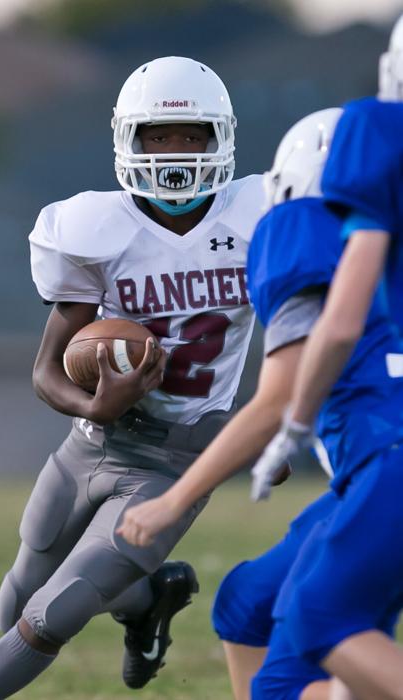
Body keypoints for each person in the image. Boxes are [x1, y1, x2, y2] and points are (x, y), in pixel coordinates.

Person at [0, 56, 267, 699]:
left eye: (191, 135)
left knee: (47, 618)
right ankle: (148, 600)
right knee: (13, 609)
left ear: (221, 137)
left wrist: (275, 430)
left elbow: (300, 339)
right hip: (90, 445)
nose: (176, 151)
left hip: (176, 459)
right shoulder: (94, 227)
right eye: (159, 136)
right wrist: (98, 402)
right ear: (128, 139)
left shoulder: (260, 217)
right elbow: (46, 372)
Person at [118, 107, 373, 700]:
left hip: (381, 469)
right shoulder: (375, 247)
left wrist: (175, 498)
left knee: (325, 629)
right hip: (361, 477)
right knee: (246, 605)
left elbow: (277, 396)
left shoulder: (297, 238)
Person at [249, 13, 403, 700]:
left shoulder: (376, 137)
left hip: (384, 439)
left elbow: (337, 325)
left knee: (320, 613)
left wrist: (294, 425)